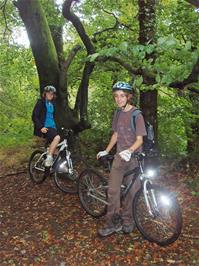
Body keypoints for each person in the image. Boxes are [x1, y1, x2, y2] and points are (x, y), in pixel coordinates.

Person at [97, 81, 147, 237]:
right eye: (116, 96)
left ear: (128, 97)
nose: (118, 99)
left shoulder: (136, 115)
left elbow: (140, 140)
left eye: (122, 96)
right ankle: (111, 223)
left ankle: (127, 220)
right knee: (113, 191)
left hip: (134, 159)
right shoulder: (118, 113)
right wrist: (106, 150)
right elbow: (116, 134)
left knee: (132, 191)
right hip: (119, 158)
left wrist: (130, 151)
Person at [32, 85, 60, 167]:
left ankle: (50, 169)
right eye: (49, 93)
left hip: (53, 128)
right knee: (57, 138)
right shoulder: (41, 102)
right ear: (45, 94)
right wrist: (41, 127)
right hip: (45, 127)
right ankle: (49, 158)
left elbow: (55, 118)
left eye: (52, 94)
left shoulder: (52, 104)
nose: (50, 95)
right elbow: (34, 116)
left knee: (57, 149)